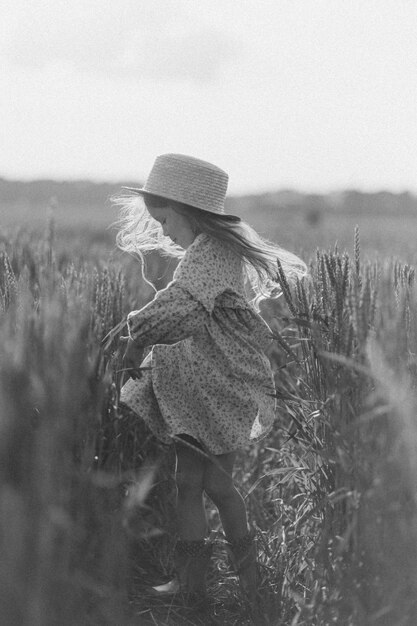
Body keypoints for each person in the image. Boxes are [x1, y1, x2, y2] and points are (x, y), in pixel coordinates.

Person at [113, 153, 307, 606]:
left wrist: (133, 327)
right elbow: (183, 304)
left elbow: (183, 305)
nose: (162, 231)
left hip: (216, 390)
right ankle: (201, 586)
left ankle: (244, 583)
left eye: (164, 220)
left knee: (214, 486)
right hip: (200, 391)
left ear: (186, 210)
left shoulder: (211, 254)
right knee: (190, 484)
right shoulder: (207, 251)